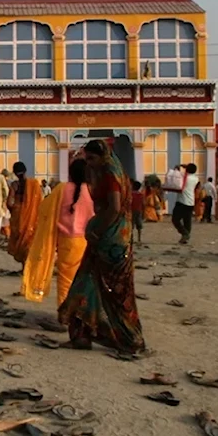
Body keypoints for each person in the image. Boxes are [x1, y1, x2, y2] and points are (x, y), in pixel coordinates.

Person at [58, 140, 144, 354]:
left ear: (103, 157)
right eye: (86, 159)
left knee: (114, 293)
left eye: (91, 159)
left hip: (111, 241)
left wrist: (97, 230)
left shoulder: (110, 175)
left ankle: (130, 339)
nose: (89, 163)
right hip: (104, 241)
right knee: (85, 285)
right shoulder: (104, 173)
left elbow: (114, 208)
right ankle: (82, 335)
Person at [23, 159, 95, 306]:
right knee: (85, 278)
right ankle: (81, 311)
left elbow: (44, 207)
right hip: (86, 241)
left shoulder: (62, 188)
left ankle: (65, 311)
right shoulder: (92, 190)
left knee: (65, 279)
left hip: (66, 241)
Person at [7, 162, 43, 265]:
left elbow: (10, 202)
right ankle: (28, 265)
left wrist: (14, 210)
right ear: (25, 170)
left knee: (20, 239)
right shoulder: (35, 184)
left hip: (18, 215)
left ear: (14, 172)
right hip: (32, 217)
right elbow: (40, 201)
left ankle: (24, 265)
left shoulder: (14, 185)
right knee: (29, 239)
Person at [166, 163, 198, 244]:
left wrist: (177, 167)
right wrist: (186, 167)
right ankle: (185, 237)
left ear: (187, 170)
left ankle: (185, 233)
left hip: (182, 201)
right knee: (187, 220)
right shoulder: (195, 178)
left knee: (175, 219)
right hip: (191, 202)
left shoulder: (184, 177)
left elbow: (174, 175)